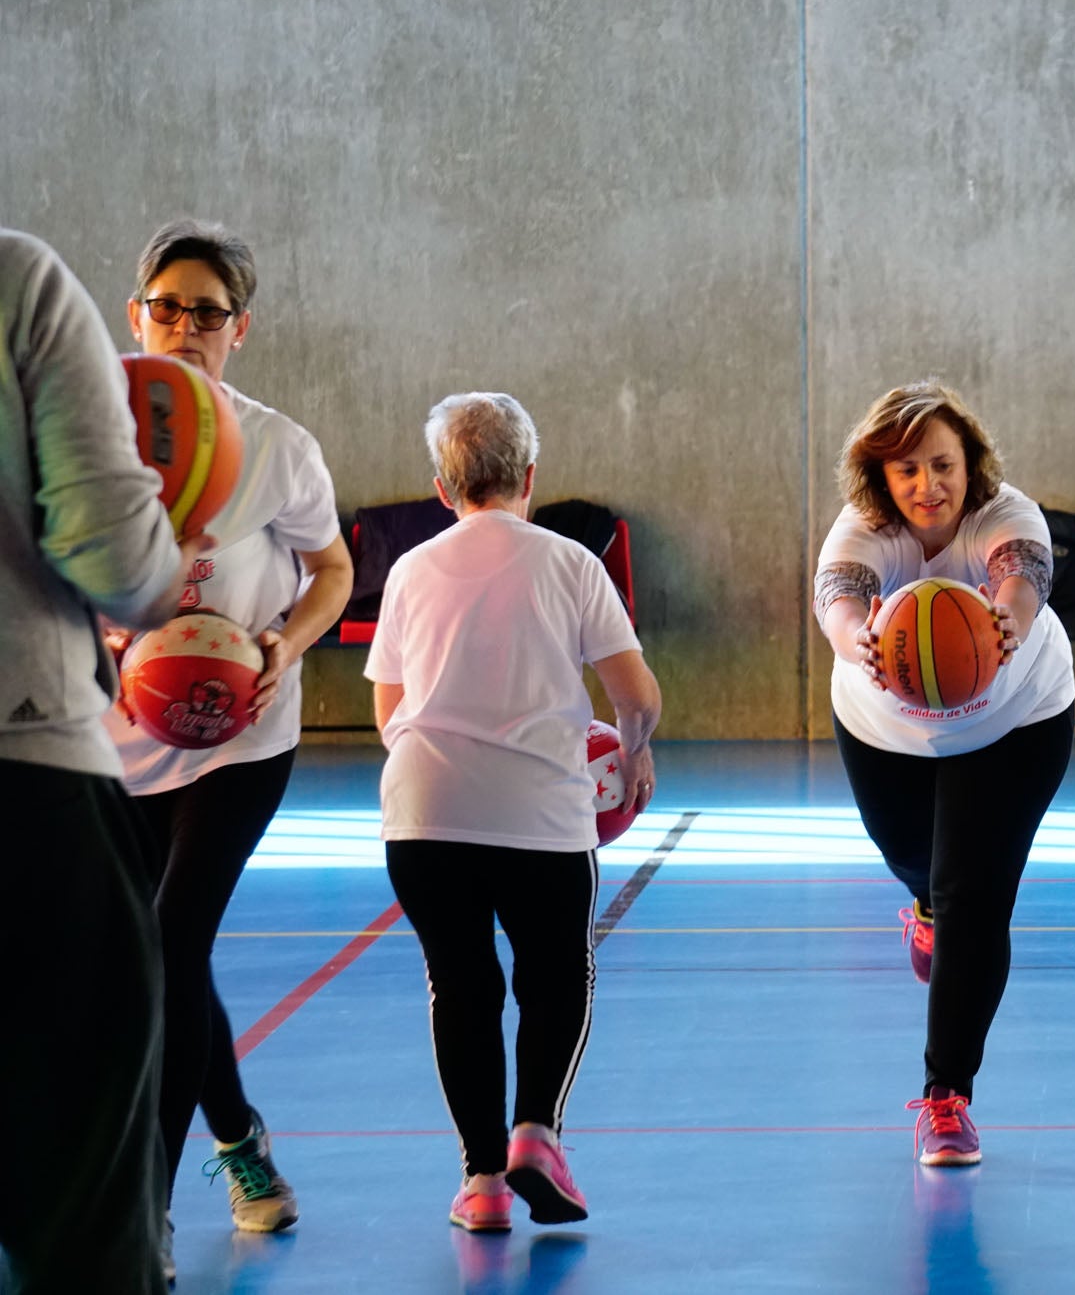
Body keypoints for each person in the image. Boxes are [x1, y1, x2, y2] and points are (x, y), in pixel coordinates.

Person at [103, 221, 353, 1275]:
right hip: (118, 737)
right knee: (156, 957)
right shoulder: (86, 437)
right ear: (137, 313)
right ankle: (243, 1140)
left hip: (238, 738)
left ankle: (144, 1216)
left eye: (209, 312)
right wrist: (106, 634)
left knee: (169, 942)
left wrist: (282, 646)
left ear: (238, 330)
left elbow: (333, 571)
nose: (186, 326)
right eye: (169, 305)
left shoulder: (279, 447)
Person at [366, 393, 660, 1231]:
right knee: (556, 974)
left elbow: (391, 714)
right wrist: (633, 749)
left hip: (423, 814)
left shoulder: (413, 569)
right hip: (539, 813)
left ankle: (483, 1182)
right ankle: (537, 1131)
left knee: (460, 985)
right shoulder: (570, 562)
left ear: (441, 486)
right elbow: (636, 695)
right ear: (531, 476)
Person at [0, 228, 195, 1294]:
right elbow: (118, 561)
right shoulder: (19, 281)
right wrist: (168, 547)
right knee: (78, 1223)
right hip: (26, 775)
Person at [814, 382, 1075, 1166]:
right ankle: (922, 900)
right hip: (884, 729)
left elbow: (1023, 574)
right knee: (916, 862)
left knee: (976, 896)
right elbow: (837, 597)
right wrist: (859, 637)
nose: (927, 486)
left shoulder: (1008, 515)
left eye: (942, 465)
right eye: (907, 471)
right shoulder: (861, 530)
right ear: (881, 478)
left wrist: (1008, 617)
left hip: (1015, 723)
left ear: (971, 464)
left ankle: (946, 1097)